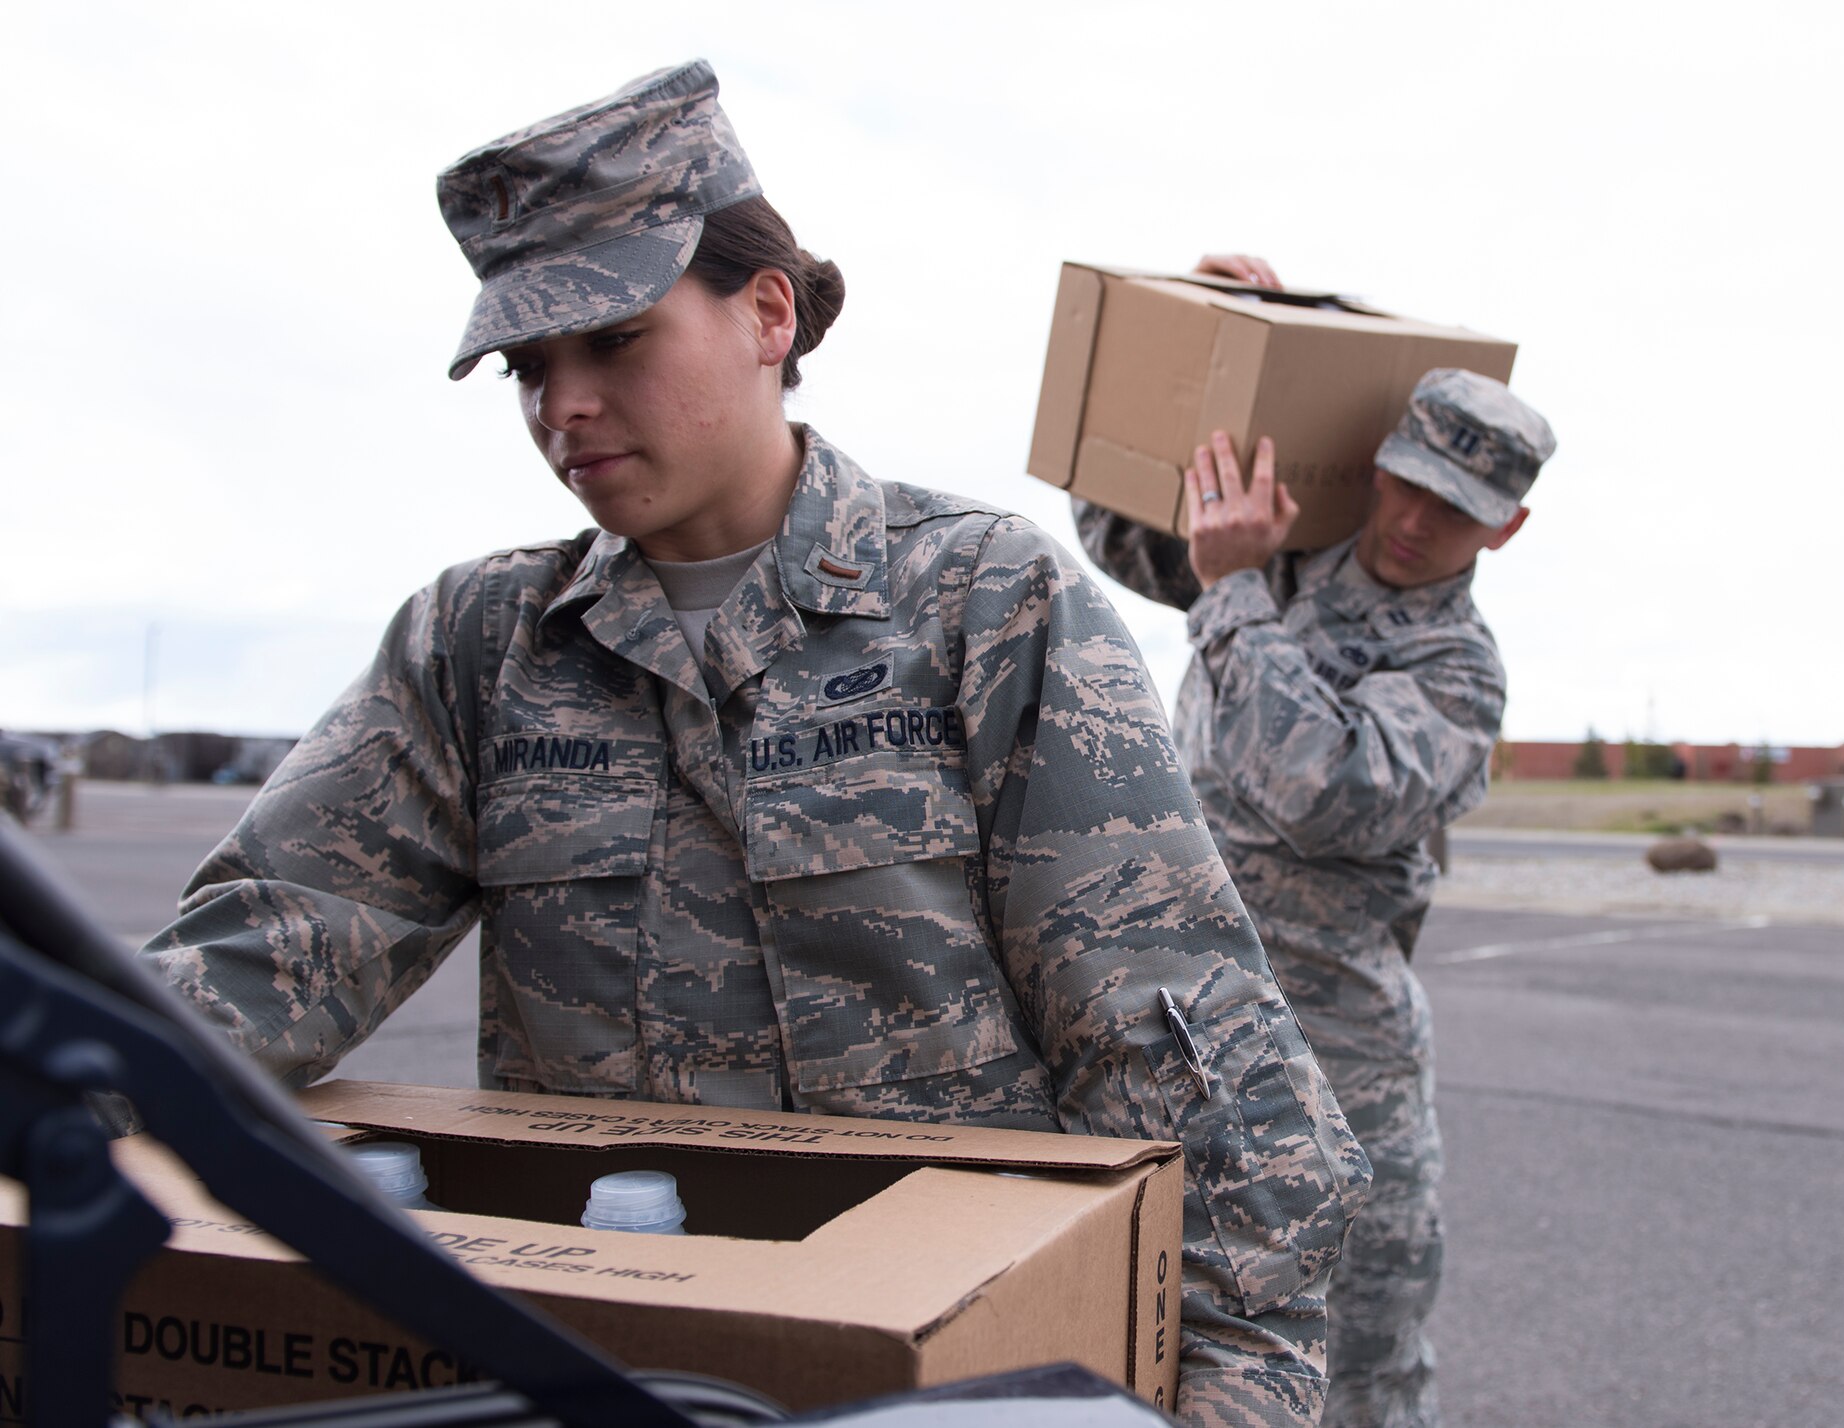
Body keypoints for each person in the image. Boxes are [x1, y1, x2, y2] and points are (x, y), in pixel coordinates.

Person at [139, 67, 1371, 1427]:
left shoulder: (979, 602)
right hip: (604, 1354)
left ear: (768, 312)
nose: (565, 408)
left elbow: (1178, 1036)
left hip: (950, 1369)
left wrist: (1234, 1391)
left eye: (612, 340)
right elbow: (263, 954)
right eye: (530, 368)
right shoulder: (481, 643)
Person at [1076, 257, 1557, 1428]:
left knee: (1360, 1363)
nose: (1409, 521)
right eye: (1404, 484)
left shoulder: (1454, 669)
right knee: (1174, 1332)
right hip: (1189, 1025)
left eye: (1455, 509)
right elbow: (1115, 522)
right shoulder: (1283, 553)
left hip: (1341, 1063)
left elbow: (1320, 789)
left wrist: (1234, 590)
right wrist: (1222, 347)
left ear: (1509, 527)